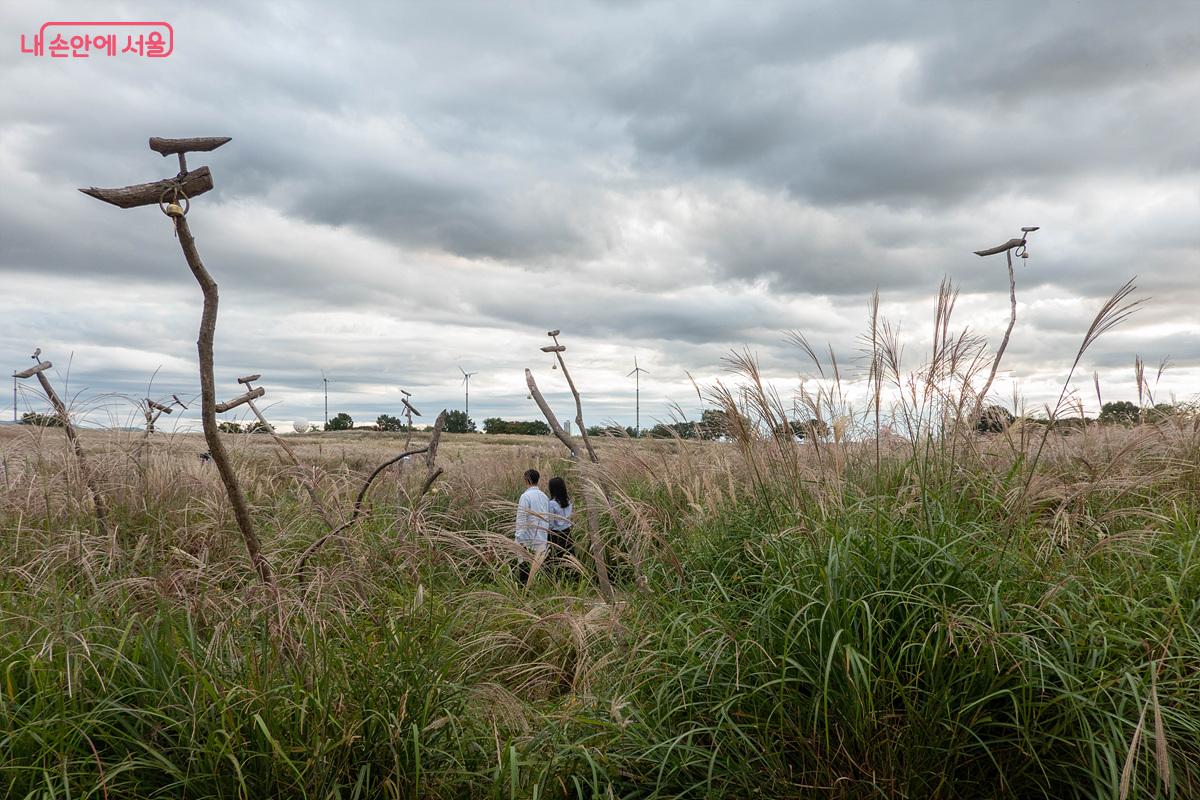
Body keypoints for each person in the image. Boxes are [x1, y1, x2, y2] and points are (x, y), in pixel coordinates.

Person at [514, 468, 550, 585]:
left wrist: (518, 538)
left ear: (526, 480)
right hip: (542, 536)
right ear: (538, 480)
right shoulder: (544, 496)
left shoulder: (525, 497)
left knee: (525, 567)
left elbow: (521, 518)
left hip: (527, 538)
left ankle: (525, 590)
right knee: (538, 566)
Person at [546, 476, 573, 568]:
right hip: (567, 532)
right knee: (568, 556)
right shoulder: (568, 501)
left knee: (556, 559)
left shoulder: (552, 503)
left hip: (555, 535)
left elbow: (550, 522)